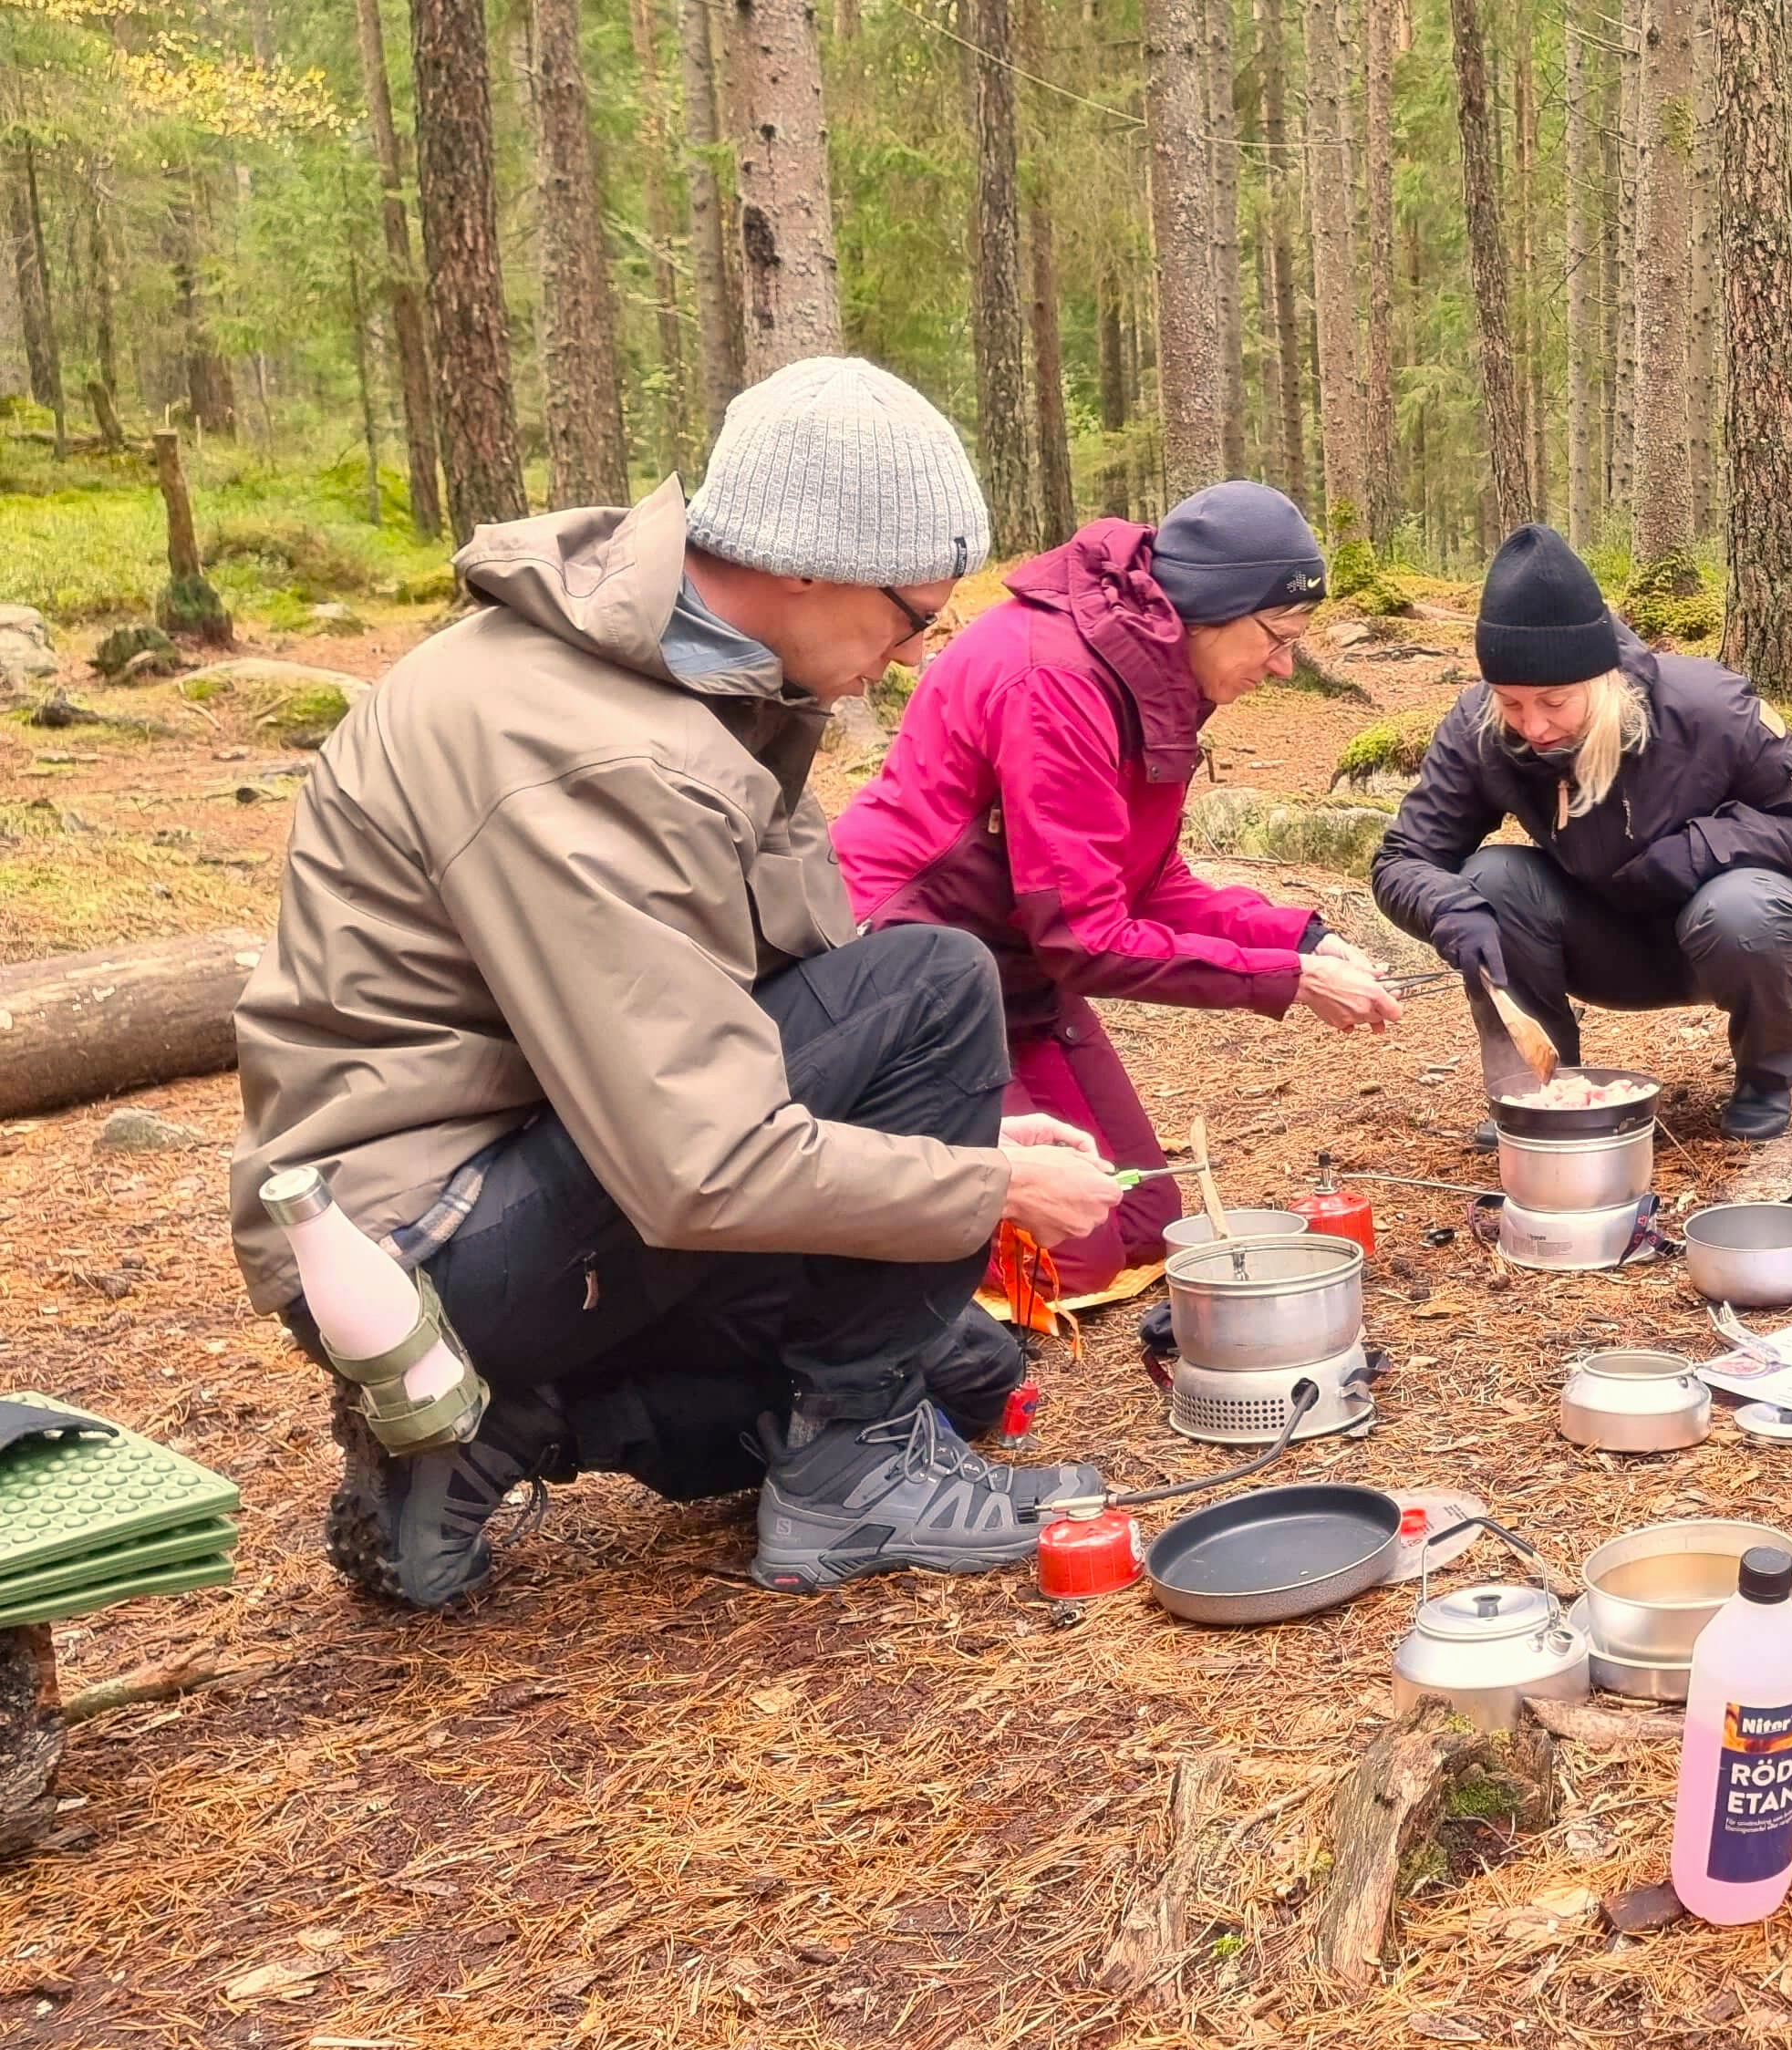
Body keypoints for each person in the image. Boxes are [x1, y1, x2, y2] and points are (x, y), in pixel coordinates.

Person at [229, 356, 1133, 1611]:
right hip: (428, 1244)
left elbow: (790, 1002)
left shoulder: (704, 685)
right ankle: (850, 1483)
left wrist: (955, 1137)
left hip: (540, 1184)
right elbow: (699, 1167)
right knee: (937, 983)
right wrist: (988, 1181)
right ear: (808, 562)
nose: (915, 653)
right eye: (912, 614)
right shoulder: (592, 746)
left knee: (965, 1369)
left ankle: (493, 1433)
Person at [835, 482, 1404, 1292]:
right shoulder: (1057, 682)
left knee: (1143, 1227)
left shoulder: (1152, 678)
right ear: (1208, 607)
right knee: (1065, 1259)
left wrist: (1298, 938)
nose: (1284, 666)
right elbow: (1088, 936)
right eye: (1277, 637)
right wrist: (1290, 981)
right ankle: (862, 1198)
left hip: (1021, 967)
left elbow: (1151, 881)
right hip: (913, 967)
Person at [1372, 524, 1792, 1141]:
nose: (1533, 725)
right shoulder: (1480, 729)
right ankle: (1541, 1090)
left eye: (1555, 701)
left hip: (1724, 939)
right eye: (1511, 702)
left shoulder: (1707, 706)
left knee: (1745, 908)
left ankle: (1766, 1076)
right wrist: (1446, 908)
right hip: (1598, 942)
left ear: (1601, 680)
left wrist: (1693, 853)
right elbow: (1402, 858)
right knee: (1487, 882)